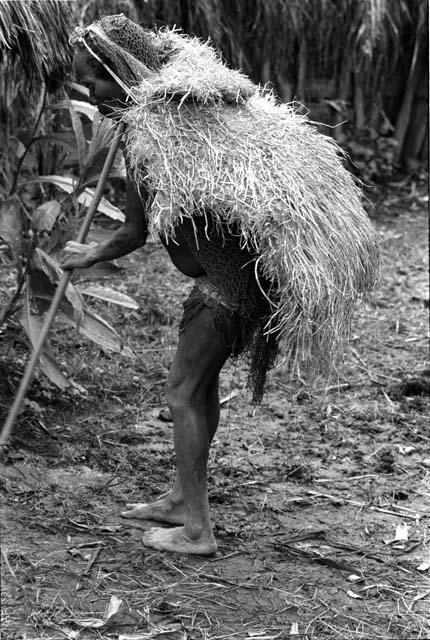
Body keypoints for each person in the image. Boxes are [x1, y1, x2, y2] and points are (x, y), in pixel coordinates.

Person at [63, 15, 378, 555]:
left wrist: (90, 252)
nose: (87, 91)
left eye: (92, 79)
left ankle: (197, 531)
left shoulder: (153, 136)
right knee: (201, 386)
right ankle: (182, 498)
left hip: (229, 288)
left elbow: (135, 232)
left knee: (181, 392)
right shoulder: (187, 121)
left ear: (118, 72)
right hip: (238, 280)